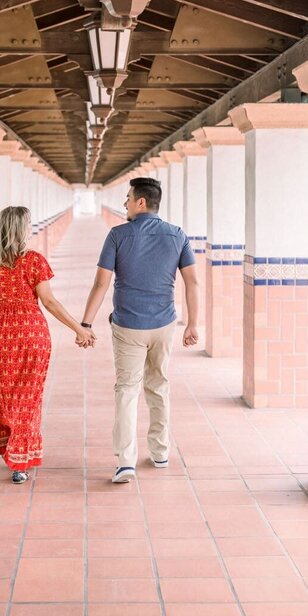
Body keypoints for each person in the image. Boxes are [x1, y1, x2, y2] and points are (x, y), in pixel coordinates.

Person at [79, 177, 199, 483]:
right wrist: (193, 324)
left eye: (128, 198)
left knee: (127, 390)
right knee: (159, 385)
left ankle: (126, 461)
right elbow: (192, 282)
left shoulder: (118, 235)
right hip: (164, 324)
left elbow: (101, 283)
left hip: (128, 326)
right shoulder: (177, 236)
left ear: (141, 202)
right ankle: (160, 451)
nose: (125, 203)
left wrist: (86, 324)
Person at [0, 206, 94, 483]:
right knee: (28, 398)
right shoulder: (34, 261)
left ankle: (11, 451)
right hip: (32, 333)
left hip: (0, 332)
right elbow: (49, 302)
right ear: (21, 229)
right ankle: (20, 461)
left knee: (5, 396)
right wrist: (79, 329)